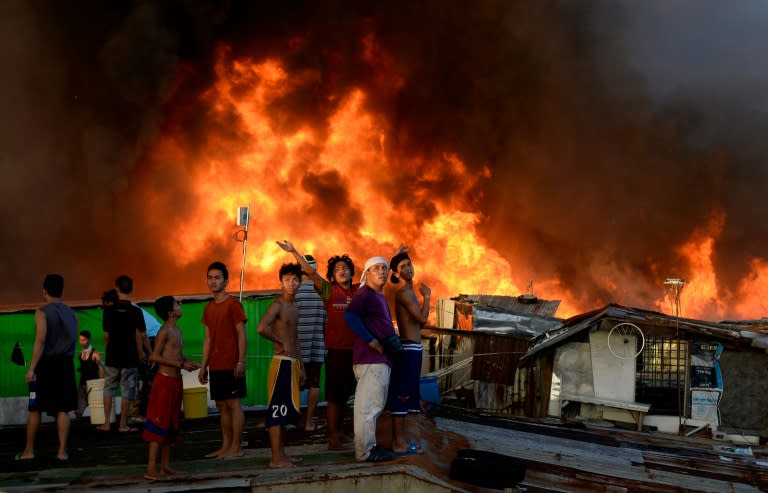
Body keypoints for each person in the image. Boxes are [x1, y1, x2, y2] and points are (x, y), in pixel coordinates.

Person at [277, 240, 358, 450]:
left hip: (356, 352)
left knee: (347, 397)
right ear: (331, 275)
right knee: (334, 397)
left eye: (345, 268)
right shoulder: (329, 292)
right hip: (336, 353)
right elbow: (311, 274)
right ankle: (333, 437)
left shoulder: (359, 292)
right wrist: (294, 251)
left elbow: (377, 279)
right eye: (337, 268)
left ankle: (340, 433)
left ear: (352, 273)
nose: (342, 270)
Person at [16, 274, 78, 463]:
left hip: (46, 364)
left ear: (44, 291)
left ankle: (29, 451)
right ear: (62, 290)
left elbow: (41, 340)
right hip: (66, 365)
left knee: (35, 409)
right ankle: (62, 452)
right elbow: (73, 340)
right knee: (63, 409)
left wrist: (31, 368)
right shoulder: (72, 313)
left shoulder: (41, 312)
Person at [343, 257, 398, 462]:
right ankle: (365, 452)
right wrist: (371, 340)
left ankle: (370, 447)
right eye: (376, 268)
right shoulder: (365, 293)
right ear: (366, 273)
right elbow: (350, 316)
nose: (382, 271)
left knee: (374, 404)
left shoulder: (377, 296)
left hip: (378, 359)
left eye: (384, 268)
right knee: (368, 407)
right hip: (371, 359)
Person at [142, 296, 200, 480]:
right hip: (164, 382)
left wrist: (188, 363)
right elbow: (155, 357)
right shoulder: (164, 331)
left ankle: (165, 466)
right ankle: (151, 469)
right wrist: (181, 365)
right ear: (170, 313)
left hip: (176, 382)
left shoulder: (178, 330)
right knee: (158, 423)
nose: (180, 305)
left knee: (171, 424)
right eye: (177, 304)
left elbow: (177, 358)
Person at [256, 263, 306, 468]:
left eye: (295, 279)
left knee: (285, 412)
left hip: (292, 364)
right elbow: (261, 328)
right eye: (287, 279)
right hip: (281, 364)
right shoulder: (277, 304)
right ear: (281, 282)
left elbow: (296, 339)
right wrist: (279, 341)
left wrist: (301, 366)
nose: (292, 283)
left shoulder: (294, 306)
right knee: (277, 411)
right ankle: (276, 458)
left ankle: (282, 455)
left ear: (300, 282)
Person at [198, 261, 248, 459]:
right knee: (222, 407)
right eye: (210, 278)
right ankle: (225, 446)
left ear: (226, 281)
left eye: (217, 277)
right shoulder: (208, 308)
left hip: (232, 364)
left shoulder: (233, 305)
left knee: (234, 404)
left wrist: (241, 361)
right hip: (216, 364)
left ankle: (236, 447)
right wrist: (203, 367)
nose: (213, 281)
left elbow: (242, 335)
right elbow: (208, 339)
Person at [388, 250, 430, 455]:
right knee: (402, 396)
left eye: (409, 263)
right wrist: (428, 297)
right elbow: (422, 320)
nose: (407, 268)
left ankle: (403, 441)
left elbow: (417, 326)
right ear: (396, 273)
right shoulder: (404, 293)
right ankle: (398, 443)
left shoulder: (410, 292)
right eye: (402, 266)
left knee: (409, 396)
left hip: (414, 348)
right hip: (408, 350)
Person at [98, 275, 148, 433]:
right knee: (128, 389)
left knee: (109, 388)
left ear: (117, 289)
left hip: (113, 356)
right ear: (132, 289)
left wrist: (108, 352)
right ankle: (122, 425)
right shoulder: (136, 311)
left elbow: (106, 336)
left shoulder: (108, 311)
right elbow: (142, 335)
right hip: (130, 357)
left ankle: (106, 423)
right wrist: (148, 352)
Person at [295, 254, 327, 432]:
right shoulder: (322, 292)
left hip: (298, 349)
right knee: (314, 384)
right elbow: (326, 322)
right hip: (317, 347)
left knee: (296, 386)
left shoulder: (294, 291)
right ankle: (309, 423)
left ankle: (295, 420)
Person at [75, 330, 104, 419]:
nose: (82, 342)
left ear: (89, 340)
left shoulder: (95, 353)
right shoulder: (80, 354)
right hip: (83, 384)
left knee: (96, 409)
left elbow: (101, 368)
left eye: (84, 340)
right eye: (80, 340)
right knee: (78, 410)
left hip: (93, 384)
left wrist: (101, 383)